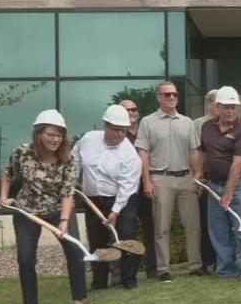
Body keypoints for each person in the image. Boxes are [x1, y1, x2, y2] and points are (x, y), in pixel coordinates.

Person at [0, 109, 85, 304]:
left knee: (75, 253)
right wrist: (3, 196)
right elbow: (8, 174)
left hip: (58, 211)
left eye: (59, 135)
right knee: (26, 260)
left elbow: (68, 192)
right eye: (51, 135)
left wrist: (64, 220)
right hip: (26, 211)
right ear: (38, 134)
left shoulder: (68, 159)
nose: (56, 139)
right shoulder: (23, 152)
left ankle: (79, 300)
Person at [135, 82, 204, 282]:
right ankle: (163, 269)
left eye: (175, 94)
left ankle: (195, 266)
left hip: (186, 178)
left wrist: (197, 175)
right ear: (159, 97)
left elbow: (194, 151)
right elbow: (143, 153)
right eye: (167, 95)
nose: (172, 98)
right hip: (160, 178)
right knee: (161, 228)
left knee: (193, 225)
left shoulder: (187, 122)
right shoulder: (148, 122)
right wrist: (146, 181)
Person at [72, 105, 142, 290]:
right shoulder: (88, 139)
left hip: (122, 201)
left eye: (124, 131)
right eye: (117, 129)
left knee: (125, 239)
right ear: (106, 126)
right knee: (97, 241)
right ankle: (99, 282)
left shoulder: (130, 155)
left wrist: (115, 211)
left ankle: (129, 280)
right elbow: (74, 162)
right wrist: (71, 182)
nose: (121, 134)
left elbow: (128, 187)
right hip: (93, 201)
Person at [194, 86, 241, 281]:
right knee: (218, 231)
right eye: (227, 107)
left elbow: (237, 165)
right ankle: (226, 270)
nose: (231, 111)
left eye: (234, 107)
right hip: (214, 184)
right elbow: (203, 152)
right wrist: (197, 173)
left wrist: (229, 194)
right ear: (218, 107)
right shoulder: (207, 128)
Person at [120, 99, 157, 280]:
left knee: (151, 230)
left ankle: (153, 269)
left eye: (134, 109)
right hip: (126, 191)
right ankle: (123, 274)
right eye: (127, 110)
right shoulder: (119, 134)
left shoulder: (146, 129)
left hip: (147, 187)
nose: (131, 113)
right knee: (126, 232)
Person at [191, 89, 220, 272]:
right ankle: (206, 261)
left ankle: (221, 260)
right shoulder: (198, 124)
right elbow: (195, 150)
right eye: (219, 104)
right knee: (204, 221)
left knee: (221, 221)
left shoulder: (228, 124)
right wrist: (197, 175)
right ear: (210, 104)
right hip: (204, 177)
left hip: (221, 177)